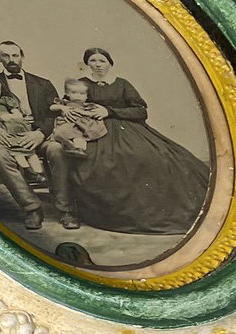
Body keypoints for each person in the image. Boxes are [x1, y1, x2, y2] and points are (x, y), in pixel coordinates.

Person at [67, 47, 210, 234]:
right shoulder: (82, 84)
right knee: (111, 161)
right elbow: (69, 103)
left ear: (110, 63)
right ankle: (117, 213)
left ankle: (158, 209)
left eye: (102, 61)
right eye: (93, 60)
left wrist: (110, 111)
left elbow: (141, 111)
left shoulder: (122, 84)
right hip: (94, 131)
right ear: (87, 64)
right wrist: (70, 111)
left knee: (159, 156)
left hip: (127, 128)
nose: (98, 65)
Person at [0, 40, 76, 231]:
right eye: (5, 55)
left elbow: (52, 114)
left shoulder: (43, 84)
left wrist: (39, 134)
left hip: (39, 133)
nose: (11, 59)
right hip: (7, 134)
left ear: (22, 56)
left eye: (15, 55)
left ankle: (66, 210)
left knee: (56, 149)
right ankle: (32, 208)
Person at [46, 76, 107, 156]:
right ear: (67, 93)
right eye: (74, 93)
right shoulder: (64, 102)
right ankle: (69, 144)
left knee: (79, 137)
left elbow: (95, 112)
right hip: (67, 122)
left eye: (82, 94)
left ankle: (79, 150)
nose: (78, 96)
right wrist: (62, 108)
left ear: (86, 96)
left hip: (80, 124)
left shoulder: (87, 105)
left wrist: (85, 113)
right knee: (59, 133)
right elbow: (52, 107)